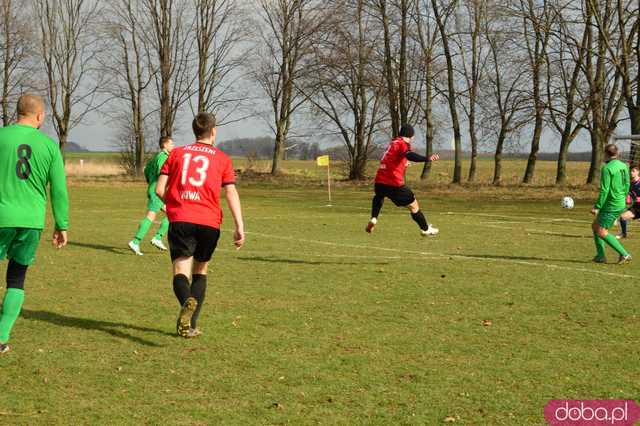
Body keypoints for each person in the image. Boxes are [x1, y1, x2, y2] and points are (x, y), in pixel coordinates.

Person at [156, 112, 244, 338]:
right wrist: (239, 225)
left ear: (195, 131)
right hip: (209, 222)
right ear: (213, 131)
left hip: (182, 219)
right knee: (201, 271)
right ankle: (190, 325)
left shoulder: (175, 153)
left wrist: (173, 204)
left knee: (180, 271)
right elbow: (230, 192)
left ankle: (186, 301)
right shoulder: (222, 158)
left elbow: (158, 190)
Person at [0, 94, 69, 354]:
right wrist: (62, 225)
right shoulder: (49, 146)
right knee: (16, 279)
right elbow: (59, 191)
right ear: (39, 116)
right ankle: (1, 337)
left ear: (17, 112)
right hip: (30, 221)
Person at [366, 124, 440, 236]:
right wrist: (427, 158)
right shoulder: (403, 144)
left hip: (379, 180)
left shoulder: (393, 143)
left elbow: (391, 159)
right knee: (414, 205)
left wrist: (404, 163)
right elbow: (409, 154)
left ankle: (374, 218)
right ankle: (425, 229)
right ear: (411, 135)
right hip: (394, 183)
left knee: (379, 196)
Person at [128, 136, 174, 255]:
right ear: (165, 145)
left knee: (172, 213)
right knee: (152, 216)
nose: (173, 146)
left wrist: (150, 182)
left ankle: (156, 238)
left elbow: (147, 170)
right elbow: (162, 172)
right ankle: (136, 241)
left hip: (154, 189)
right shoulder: (163, 157)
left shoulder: (157, 157)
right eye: (171, 143)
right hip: (157, 191)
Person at [592, 144, 631, 264]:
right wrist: (624, 197)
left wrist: (597, 206)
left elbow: (605, 190)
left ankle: (624, 254)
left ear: (605, 154)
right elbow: (627, 183)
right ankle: (600, 256)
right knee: (595, 226)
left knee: (602, 231)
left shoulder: (607, 168)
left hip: (611, 204)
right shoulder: (623, 165)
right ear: (617, 153)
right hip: (619, 201)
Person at [616, 165, 640, 239]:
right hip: (637, 207)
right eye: (630, 171)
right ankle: (623, 234)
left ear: (638, 172)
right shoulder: (629, 184)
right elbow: (628, 194)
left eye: (633, 171)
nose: (631, 172)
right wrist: (628, 198)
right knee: (623, 217)